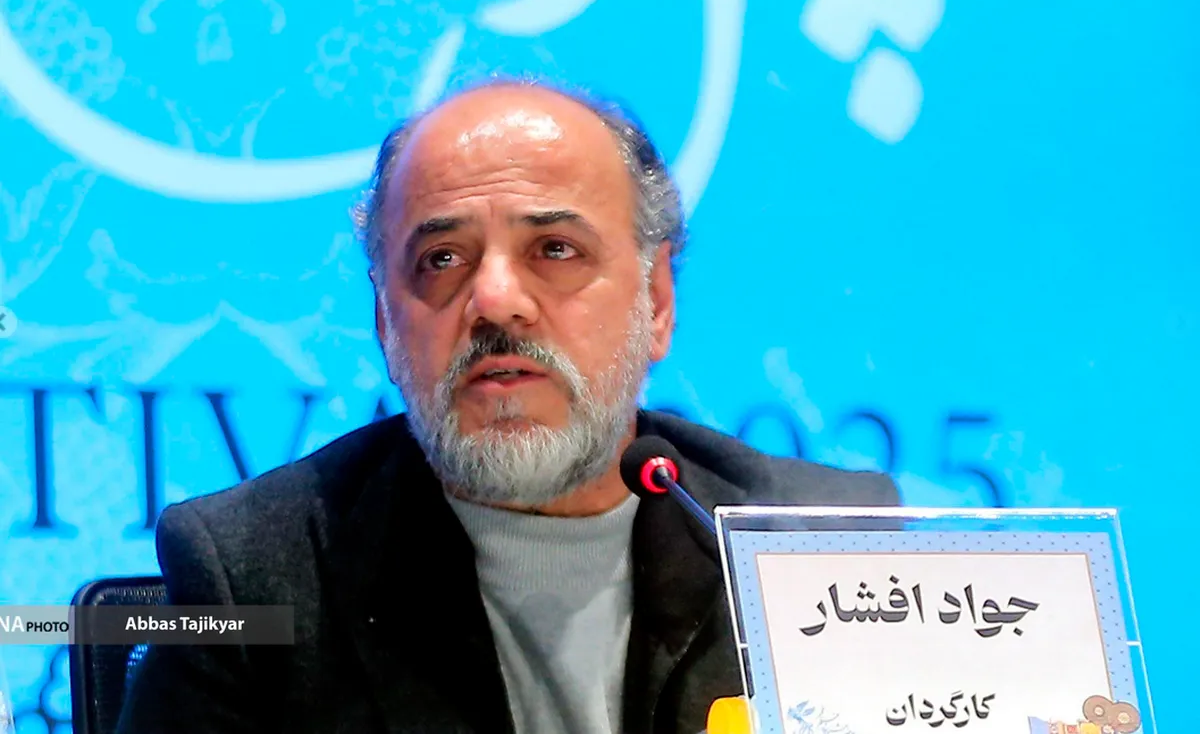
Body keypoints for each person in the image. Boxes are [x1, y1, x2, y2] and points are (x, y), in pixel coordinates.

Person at [116, 79, 898, 734]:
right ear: (385, 323)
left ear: (656, 301)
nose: (494, 300)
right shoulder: (250, 574)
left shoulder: (816, 543)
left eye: (555, 250)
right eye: (441, 259)